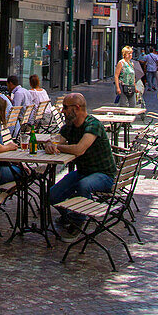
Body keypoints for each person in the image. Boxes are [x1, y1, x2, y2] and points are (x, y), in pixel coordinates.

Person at [45, 93, 117, 234]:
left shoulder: (93, 125)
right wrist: (50, 144)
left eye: (65, 108)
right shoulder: (69, 127)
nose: (62, 111)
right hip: (83, 172)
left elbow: (79, 149)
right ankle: (71, 216)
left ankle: (77, 223)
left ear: (76, 108)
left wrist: (57, 147)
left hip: (103, 175)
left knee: (83, 185)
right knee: (52, 195)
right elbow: (56, 140)